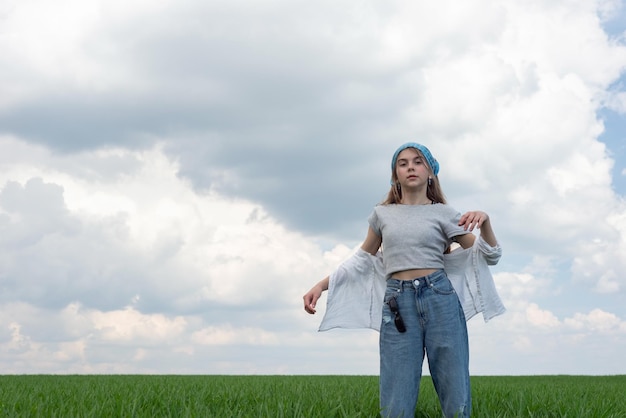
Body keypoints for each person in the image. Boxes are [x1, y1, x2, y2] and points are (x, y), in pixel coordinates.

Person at [303, 142, 501, 418]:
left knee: (455, 392)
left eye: (418, 161)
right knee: (396, 397)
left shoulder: (444, 213)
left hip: (440, 299)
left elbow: (488, 256)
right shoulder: (382, 214)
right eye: (403, 162)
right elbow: (361, 260)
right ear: (395, 175)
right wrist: (321, 286)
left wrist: (486, 223)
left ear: (430, 172)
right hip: (398, 304)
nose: (410, 167)